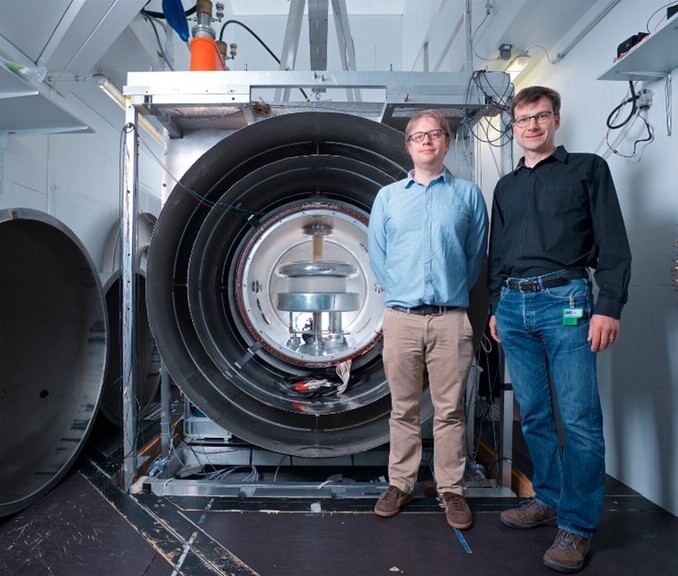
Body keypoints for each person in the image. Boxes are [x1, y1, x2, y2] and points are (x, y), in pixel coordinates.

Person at [487, 86, 632, 573]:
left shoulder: (587, 169)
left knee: (580, 419)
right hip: (514, 307)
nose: (531, 125)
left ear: (556, 120)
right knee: (534, 415)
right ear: (514, 125)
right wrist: (495, 305)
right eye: (523, 118)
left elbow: (613, 243)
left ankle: (576, 526)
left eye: (540, 116)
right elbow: (497, 255)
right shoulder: (505, 186)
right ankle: (546, 498)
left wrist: (607, 306)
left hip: (567, 301)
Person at [368, 109, 488, 529]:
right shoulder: (388, 197)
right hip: (400, 318)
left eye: (434, 134)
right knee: (402, 409)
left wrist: (449, 295)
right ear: (408, 145)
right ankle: (401, 483)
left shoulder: (468, 196)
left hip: (450, 319)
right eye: (418, 136)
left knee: (450, 410)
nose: (426, 141)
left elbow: (475, 258)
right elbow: (378, 257)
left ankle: (451, 490)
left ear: (446, 142)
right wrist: (403, 295)